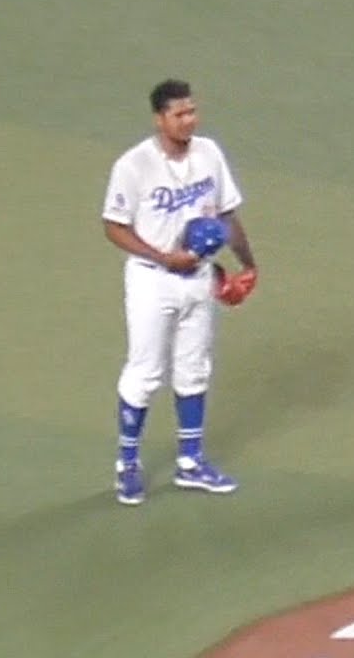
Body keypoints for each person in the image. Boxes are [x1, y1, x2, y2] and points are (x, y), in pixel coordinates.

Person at [101, 79, 258, 505]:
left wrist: (247, 263)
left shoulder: (209, 153)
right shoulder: (133, 165)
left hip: (200, 277)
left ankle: (191, 462)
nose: (190, 120)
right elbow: (113, 226)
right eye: (180, 114)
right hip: (152, 279)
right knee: (145, 372)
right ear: (160, 119)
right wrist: (162, 256)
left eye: (192, 111)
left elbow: (227, 215)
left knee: (194, 369)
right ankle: (126, 465)